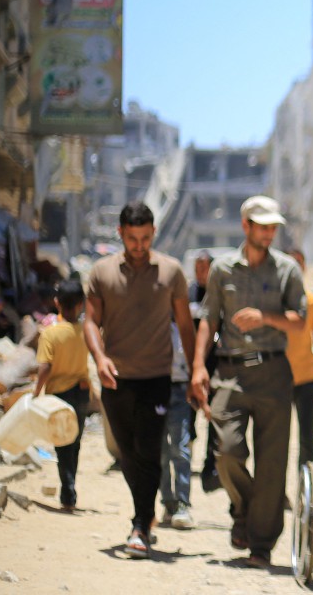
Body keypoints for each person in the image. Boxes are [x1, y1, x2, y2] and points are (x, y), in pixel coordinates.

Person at [191, 195, 307, 569]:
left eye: (274, 226)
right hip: (229, 372)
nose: (270, 232)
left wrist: (266, 318)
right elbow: (208, 319)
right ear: (246, 226)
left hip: (274, 371)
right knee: (226, 451)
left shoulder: (288, 269)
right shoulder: (222, 269)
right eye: (263, 226)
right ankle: (244, 510)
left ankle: (260, 543)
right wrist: (198, 367)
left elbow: (299, 320)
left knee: (273, 463)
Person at [84, 202, 205, 560]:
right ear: (120, 234)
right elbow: (90, 322)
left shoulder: (170, 271)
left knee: (150, 451)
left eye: (146, 238)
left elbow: (185, 325)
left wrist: (196, 369)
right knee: (127, 454)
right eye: (133, 238)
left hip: (156, 378)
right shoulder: (101, 272)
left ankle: (140, 523)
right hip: (115, 379)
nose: (139, 246)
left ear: (153, 234)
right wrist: (100, 357)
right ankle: (145, 512)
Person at [32, 279, 90, 512]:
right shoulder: (87, 331)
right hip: (83, 391)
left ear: (57, 302)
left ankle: (68, 490)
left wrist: (36, 392)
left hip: (59, 395)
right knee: (75, 442)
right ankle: (70, 487)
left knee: (62, 443)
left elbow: (45, 367)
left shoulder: (50, 334)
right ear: (81, 305)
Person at [285, 248, 313, 468]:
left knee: (306, 438)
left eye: (298, 262)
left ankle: (306, 487)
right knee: (277, 441)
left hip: (305, 377)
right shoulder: (274, 303)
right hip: (277, 379)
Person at [189, 250, 222, 493]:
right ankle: (186, 458)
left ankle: (211, 465)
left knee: (215, 416)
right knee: (187, 416)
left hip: (215, 366)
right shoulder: (188, 292)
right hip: (190, 366)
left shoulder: (218, 294)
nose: (201, 273)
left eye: (204, 268)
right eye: (197, 268)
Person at [159, 322, 195, 529]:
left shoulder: (185, 326)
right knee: (161, 452)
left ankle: (183, 503)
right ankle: (167, 501)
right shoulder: (153, 323)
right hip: (157, 389)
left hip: (180, 390)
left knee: (180, 449)